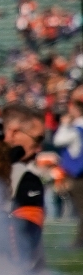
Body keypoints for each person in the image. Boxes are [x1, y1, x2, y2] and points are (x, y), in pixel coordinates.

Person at [2, 103, 48, 271]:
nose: (39, 148)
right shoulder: (25, 177)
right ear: (13, 132)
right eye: (37, 139)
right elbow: (26, 241)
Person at [55, 91, 83, 246]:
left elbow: (58, 140)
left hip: (78, 174)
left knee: (81, 209)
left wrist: (65, 124)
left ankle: (80, 241)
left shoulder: (75, 128)